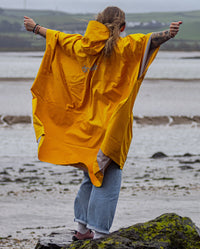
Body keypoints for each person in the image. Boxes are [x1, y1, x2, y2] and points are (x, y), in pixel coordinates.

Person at [24, 6, 182, 240]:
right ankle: (99, 234)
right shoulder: (125, 48)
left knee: (91, 173)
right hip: (110, 127)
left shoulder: (81, 45)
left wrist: (36, 28)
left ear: (98, 23)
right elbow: (151, 41)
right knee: (110, 177)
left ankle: (81, 229)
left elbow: (57, 38)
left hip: (84, 128)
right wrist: (168, 33)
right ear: (123, 27)